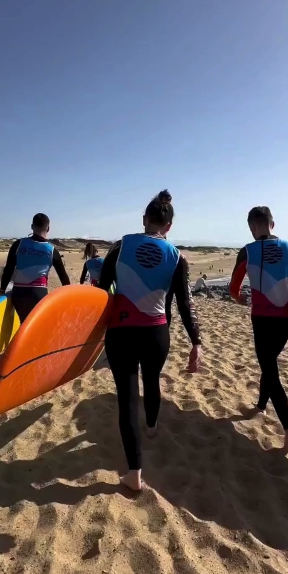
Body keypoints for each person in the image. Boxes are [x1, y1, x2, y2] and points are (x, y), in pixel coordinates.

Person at [98, 190, 202, 491]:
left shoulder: (121, 247)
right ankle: (153, 427)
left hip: (121, 332)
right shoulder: (176, 257)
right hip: (157, 333)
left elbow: (101, 291)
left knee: (128, 400)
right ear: (169, 227)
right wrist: (196, 342)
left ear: (144, 220)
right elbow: (184, 303)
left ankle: (134, 473)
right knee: (153, 379)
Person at [230, 205, 288, 452]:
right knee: (270, 362)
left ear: (252, 227)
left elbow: (234, 287)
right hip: (287, 320)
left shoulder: (247, 251)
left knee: (269, 367)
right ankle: (260, 406)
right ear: (272, 224)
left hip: (262, 319)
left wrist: (238, 298)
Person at [0, 213, 70, 323]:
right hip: (39, 293)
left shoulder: (18, 244)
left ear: (32, 227)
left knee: (23, 324)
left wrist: (2, 289)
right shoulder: (52, 250)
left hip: (19, 294)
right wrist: (70, 295)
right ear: (48, 228)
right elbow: (63, 276)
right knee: (37, 328)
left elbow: (8, 269)